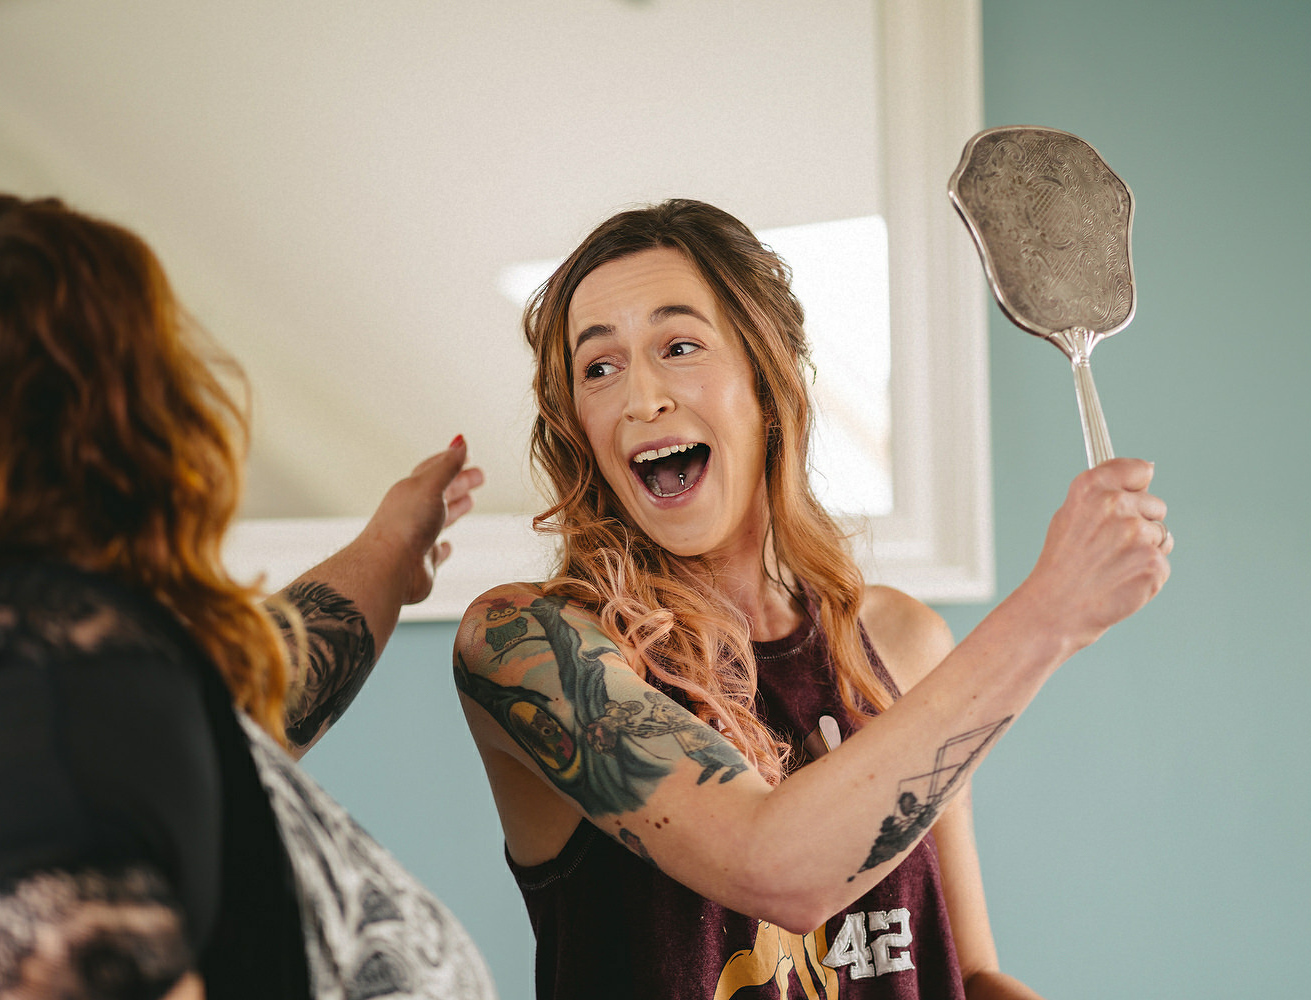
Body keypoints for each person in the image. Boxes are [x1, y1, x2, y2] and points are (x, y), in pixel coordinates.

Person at [453, 199, 1173, 999]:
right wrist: (1048, 615)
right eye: (600, 367)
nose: (639, 397)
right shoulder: (533, 650)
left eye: (679, 346)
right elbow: (776, 872)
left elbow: (961, 973)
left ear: (769, 380)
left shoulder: (901, 641)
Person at [0, 194, 495, 1000]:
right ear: (122, 417)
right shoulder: (41, 701)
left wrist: (392, 544)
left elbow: (263, 686)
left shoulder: (43, 659)